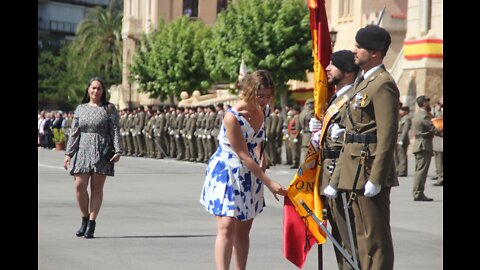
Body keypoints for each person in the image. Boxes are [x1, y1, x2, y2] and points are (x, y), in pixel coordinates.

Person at [326, 25, 399, 270]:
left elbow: (387, 135)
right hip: (353, 169)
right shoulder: (363, 83)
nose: (354, 51)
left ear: (375, 53)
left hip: (368, 170)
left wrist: (377, 177)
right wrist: (336, 179)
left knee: (375, 239)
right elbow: (356, 132)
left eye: (360, 46)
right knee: (360, 236)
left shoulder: (383, 84)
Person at [199, 70, 287, 270]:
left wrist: (262, 155)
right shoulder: (232, 117)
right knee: (226, 226)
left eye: (268, 95)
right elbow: (242, 154)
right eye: (260, 95)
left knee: (243, 229)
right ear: (248, 91)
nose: (264, 100)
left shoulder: (261, 111)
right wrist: (269, 182)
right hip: (227, 173)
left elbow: (257, 142)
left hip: (250, 174)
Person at [309, 49, 360, 269]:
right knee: (337, 237)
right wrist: (317, 133)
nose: (327, 69)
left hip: (341, 175)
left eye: (333, 65)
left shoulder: (352, 98)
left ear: (348, 71)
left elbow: (351, 141)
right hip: (328, 173)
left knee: (348, 240)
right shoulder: (337, 97)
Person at [63, 77, 123, 239]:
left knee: (97, 188)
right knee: (79, 186)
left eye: (99, 89)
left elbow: (115, 130)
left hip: (102, 150)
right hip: (83, 149)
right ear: (88, 89)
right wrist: (69, 153)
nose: (96, 91)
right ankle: (84, 217)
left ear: (103, 92)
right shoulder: (80, 109)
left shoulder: (109, 109)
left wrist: (118, 150)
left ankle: (92, 222)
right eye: (93, 88)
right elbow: (74, 133)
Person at [412, 95, 440, 200]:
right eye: (427, 102)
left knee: (419, 170)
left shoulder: (418, 114)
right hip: (423, 145)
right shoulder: (424, 116)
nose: (429, 104)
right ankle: (418, 193)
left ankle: (417, 192)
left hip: (419, 144)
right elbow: (434, 129)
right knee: (421, 171)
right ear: (424, 103)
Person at [395, 105, 411, 177]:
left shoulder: (406, 118)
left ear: (406, 111)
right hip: (397, 138)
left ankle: (402, 171)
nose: (400, 111)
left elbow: (405, 130)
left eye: (402, 110)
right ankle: (397, 169)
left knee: (402, 156)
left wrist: (402, 140)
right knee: (396, 155)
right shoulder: (400, 118)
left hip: (402, 138)